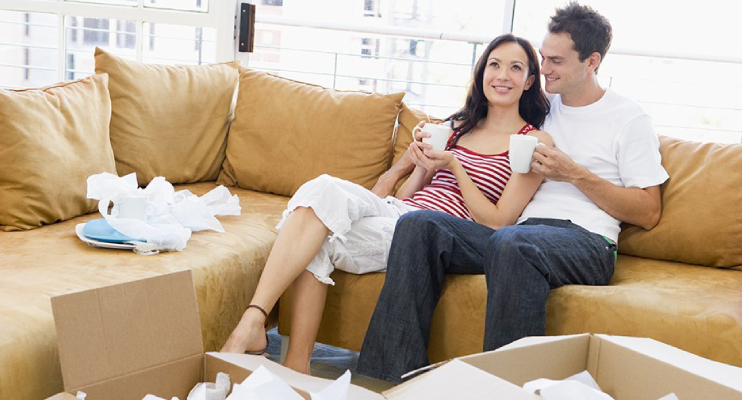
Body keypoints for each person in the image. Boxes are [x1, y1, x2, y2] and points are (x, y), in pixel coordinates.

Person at [355, 1, 670, 384]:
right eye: (541, 58)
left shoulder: (627, 118)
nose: (544, 69)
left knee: (513, 243)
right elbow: (471, 120)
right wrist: (418, 156)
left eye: (555, 61)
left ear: (592, 62)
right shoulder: (538, 106)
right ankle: (389, 379)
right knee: (420, 225)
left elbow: (649, 211)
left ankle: (501, 389)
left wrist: (573, 174)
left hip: (586, 241)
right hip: (514, 232)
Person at [220, 33, 553, 374]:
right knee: (318, 199)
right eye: (494, 65)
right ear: (482, 72)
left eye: (515, 68)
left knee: (317, 230)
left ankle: (259, 329)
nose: (502, 76)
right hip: (401, 214)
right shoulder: (455, 128)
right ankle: (290, 360)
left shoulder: (532, 141)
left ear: (529, 80)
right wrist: (412, 164)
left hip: (436, 236)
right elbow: (402, 198)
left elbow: (498, 223)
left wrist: (454, 165)